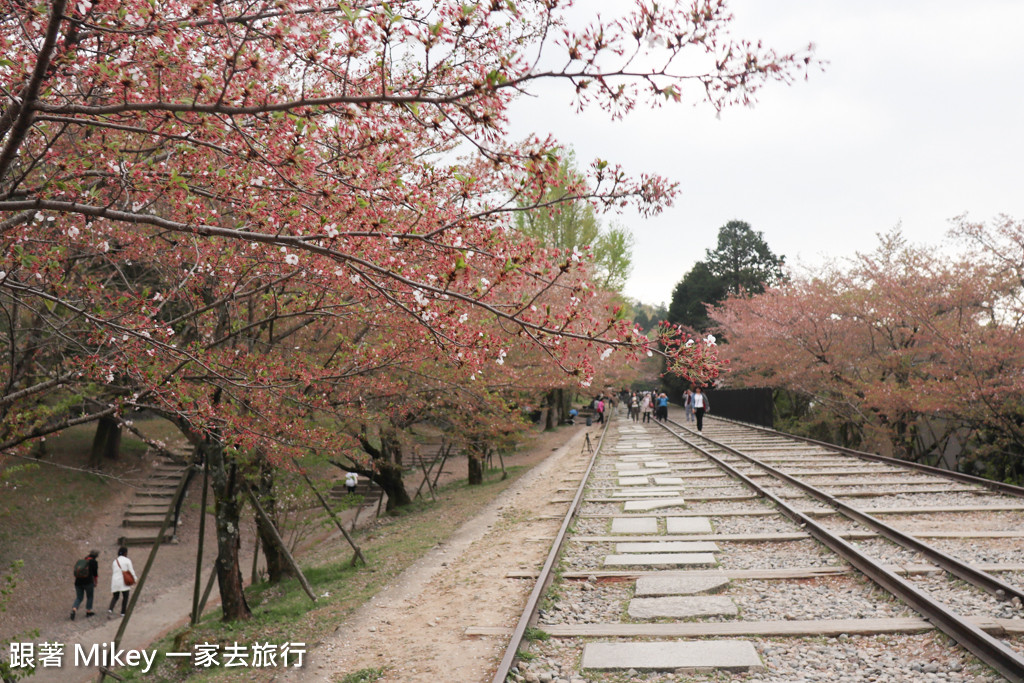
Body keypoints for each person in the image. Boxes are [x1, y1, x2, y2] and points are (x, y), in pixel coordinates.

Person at [70, 549, 99, 620]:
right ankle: (88, 611)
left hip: (78, 582)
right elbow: (95, 574)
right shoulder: (94, 562)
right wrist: (95, 582)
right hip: (88, 582)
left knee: (79, 597)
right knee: (90, 596)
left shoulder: (83, 561)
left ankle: (74, 609)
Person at [109, 546, 137, 618]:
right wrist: (135, 578)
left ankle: (110, 608)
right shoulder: (127, 560)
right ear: (125, 553)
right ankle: (123, 612)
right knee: (125, 596)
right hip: (124, 581)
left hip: (115, 580)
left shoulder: (115, 561)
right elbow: (131, 570)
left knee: (115, 596)